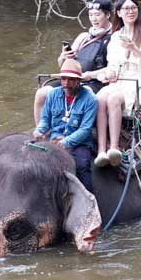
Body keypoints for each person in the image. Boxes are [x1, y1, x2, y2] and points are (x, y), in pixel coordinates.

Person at [93, 0, 141, 168]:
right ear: (118, 12)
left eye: (134, 8)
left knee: (114, 99)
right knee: (100, 97)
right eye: (126, 8)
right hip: (121, 81)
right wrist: (105, 74)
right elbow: (114, 66)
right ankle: (102, 150)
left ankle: (114, 148)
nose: (130, 11)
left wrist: (134, 49)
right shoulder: (117, 37)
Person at [31, 0, 114, 125]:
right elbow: (62, 65)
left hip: (96, 82)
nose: (93, 19)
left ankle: (72, 130)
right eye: (91, 15)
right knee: (41, 93)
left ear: (108, 14)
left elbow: (114, 68)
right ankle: (41, 131)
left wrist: (89, 75)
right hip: (73, 78)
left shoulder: (115, 38)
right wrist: (64, 56)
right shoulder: (83, 37)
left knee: (81, 96)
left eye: (97, 15)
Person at [35, 59, 99, 192]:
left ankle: (90, 199)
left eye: (71, 80)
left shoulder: (90, 99)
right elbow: (45, 120)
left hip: (79, 143)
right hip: (55, 138)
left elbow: (85, 129)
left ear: (78, 81)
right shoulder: (53, 94)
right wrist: (39, 130)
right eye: (63, 79)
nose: (66, 83)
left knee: (82, 165)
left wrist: (66, 142)